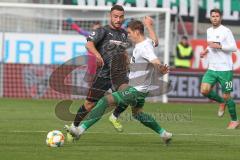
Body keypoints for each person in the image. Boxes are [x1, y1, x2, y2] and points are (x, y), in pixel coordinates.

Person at [66, 19, 172, 145]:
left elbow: (155, 60)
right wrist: (149, 26)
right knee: (138, 114)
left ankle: (80, 130)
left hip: (135, 90)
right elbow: (156, 41)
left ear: (137, 32)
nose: (128, 35)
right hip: (142, 90)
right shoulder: (147, 42)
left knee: (105, 101)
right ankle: (164, 134)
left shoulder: (144, 47)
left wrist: (161, 67)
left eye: (130, 32)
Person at [200, 8, 239, 129]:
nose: (215, 18)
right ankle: (221, 102)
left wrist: (220, 46)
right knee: (204, 90)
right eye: (213, 16)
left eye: (217, 16)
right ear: (210, 18)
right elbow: (210, 44)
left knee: (227, 95)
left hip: (225, 69)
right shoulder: (208, 30)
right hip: (212, 68)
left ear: (220, 18)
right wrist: (206, 51)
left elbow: (233, 47)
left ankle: (234, 120)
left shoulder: (226, 31)